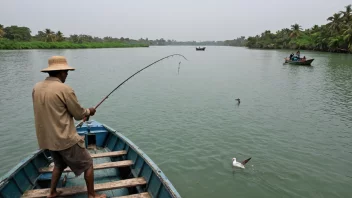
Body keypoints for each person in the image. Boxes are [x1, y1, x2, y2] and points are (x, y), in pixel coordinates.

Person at [32, 56, 106, 198]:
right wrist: (89, 111)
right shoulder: (64, 89)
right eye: (66, 72)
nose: (66, 74)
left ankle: (52, 192)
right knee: (88, 163)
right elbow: (79, 114)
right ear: (60, 72)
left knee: (59, 164)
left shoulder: (37, 87)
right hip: (64, 138)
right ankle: (92, 195)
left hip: (48, 139)